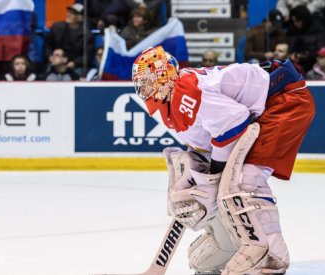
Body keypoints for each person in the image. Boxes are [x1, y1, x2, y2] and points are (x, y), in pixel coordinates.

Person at [131, 46, 315, 274]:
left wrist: (213, 174)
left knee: (244, 182)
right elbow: (207, 145)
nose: (142, 87)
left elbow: (234, 123)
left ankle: (270, 260)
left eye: (147, 80)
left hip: (284, 100)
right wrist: (194, 181)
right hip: (267, 105)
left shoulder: (185, 92)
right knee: (218, 185)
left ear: (163, 77)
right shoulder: (171, 105)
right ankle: (227, 247)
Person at [45, 3, 94, 76]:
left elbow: (88, 56)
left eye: (73, 13)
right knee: (48, 73)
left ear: (81, 18)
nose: (69, 15)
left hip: (75, 65)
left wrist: (75, 63)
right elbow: (47, 45)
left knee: (77, 74)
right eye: (69, 12)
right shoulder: (57, 27)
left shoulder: (87, 34)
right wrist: (50, 57)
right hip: (57, 61)